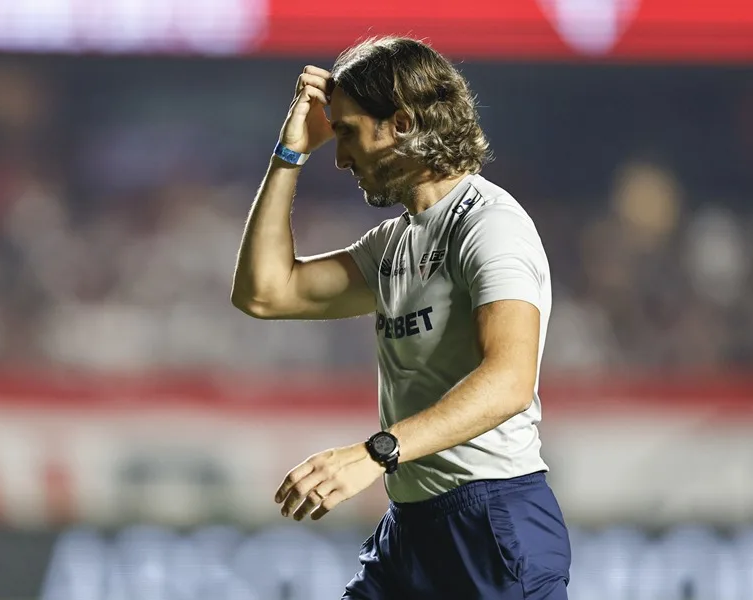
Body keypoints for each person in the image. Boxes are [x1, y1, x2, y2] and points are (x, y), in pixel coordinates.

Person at [231, 36, 571, 600]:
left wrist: (375, 454)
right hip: (413, 528)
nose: (340, 158)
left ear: (402, 124)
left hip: (492, 525)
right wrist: (289, 155)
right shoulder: (395, 242)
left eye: (347, 133)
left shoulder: (490, 226)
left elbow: (510, 380)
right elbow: (265, 293)